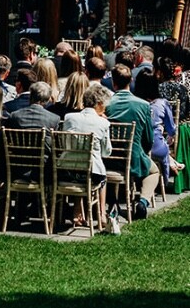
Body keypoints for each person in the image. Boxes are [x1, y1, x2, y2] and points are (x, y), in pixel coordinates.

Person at [106, 63, 160, 218]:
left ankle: (113, 200)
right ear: (131, 81)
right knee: (154, 171)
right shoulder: (143, 105)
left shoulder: (106, 103)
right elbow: (148, 138)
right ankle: (143, 201)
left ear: (113, 83)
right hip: (133, 157)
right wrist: (143, 151)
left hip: (108, 157)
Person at [62, 84, 113, 229]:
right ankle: (101, 213)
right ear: (99, 104)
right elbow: (106, 152)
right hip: (91, 173)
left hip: (66, 170)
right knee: (102, 176)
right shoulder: (103, 123)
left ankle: (77, 212)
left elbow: (65, 143)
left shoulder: (69, 117)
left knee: (80, 165)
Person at [134, 70, 183, 183]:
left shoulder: (135, 103)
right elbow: (171, 129)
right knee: (163, 146)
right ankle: (166, 175)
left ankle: (172, 163)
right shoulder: (162, 103)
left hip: (137, 147)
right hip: (156, 147)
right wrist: (169, 136)